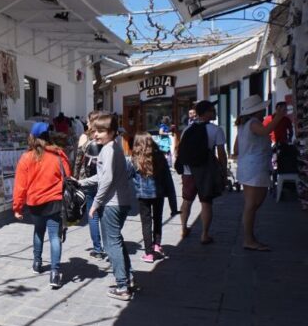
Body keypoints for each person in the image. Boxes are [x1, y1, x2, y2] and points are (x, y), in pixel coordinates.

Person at [78, 113, 136, 301]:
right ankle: (127, 278)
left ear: (111, 132)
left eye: (101, 131)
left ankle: (122, 286)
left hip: (112, 204)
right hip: (119, 202)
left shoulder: (108, 150)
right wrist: (82, 182)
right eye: (95, 131)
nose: (96, 135)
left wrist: (95, 204)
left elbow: (107, 180)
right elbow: (103, 177)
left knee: (111, 245)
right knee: (116, 241)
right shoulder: (112, 147)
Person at [13, 121, 71, 289]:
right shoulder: (58, 155)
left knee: (38, 231)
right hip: (55, 201)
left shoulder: (26, 158)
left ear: (32, 137)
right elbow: (68, 176)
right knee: (54, 236)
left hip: (35, 202)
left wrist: (17, 207)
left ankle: (37, 263)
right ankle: (54, 272)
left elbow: (20, 185)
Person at [234, 96, 286, 251]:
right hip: (254, 168)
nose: (264, 110)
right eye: (262, 108)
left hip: (250, 167)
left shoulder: (243, 126)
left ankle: (249, 236)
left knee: (253, 204)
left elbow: (236, 148)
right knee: (251, 205)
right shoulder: (253, 123)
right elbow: (266, 130)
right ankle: (248, 239)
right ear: (256, 110)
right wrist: (278, 117)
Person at [177, 100, 227, 244]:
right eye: (212, 110)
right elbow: (221, 154)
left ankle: (183, 229)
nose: (215, 112)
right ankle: (204, 235)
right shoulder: (216, 130)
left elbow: (181, 150)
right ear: (205, 113)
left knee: (187, 201)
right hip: (205, 171)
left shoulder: (187, 129)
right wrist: (223, 171)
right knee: (206, 203)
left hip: (188, 171)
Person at [128, 133, 169, 263]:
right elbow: (166, 176)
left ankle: (149, 253)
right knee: (158, 219)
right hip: (158, 193)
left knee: (146, 223)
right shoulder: (160, 157)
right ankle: (157, 244)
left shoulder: (135, 159)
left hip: (143, 196)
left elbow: (128, 175)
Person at [73, 111, 104, 259]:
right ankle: (110, 244)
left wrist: (74, 178)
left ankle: (98, 248)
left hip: (89, 180)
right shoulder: (106, 137)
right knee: (104, 213)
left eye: (87, 121)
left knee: (93, 214)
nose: (86, 123)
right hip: (105, 180)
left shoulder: (85, 137)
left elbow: (78, 160)